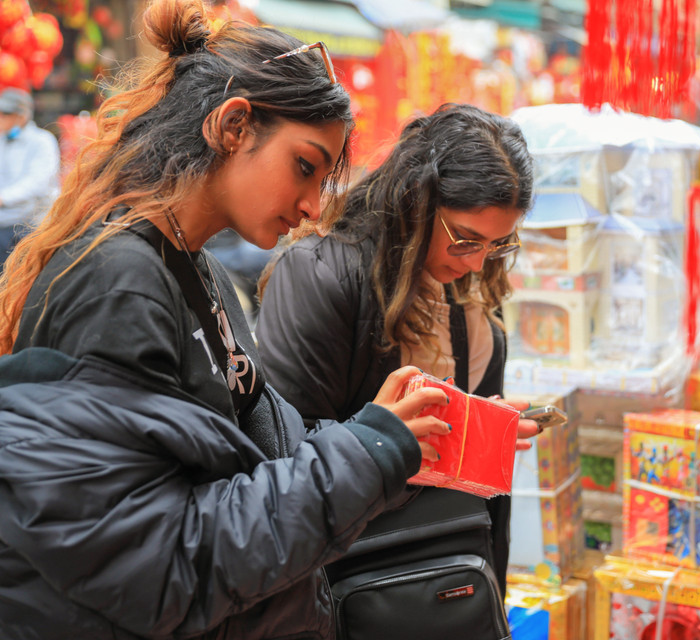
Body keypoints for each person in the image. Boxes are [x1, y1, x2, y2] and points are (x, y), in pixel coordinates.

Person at [0, 1, 453, 638]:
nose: (312, 205)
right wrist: (368, 450)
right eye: (304, 166)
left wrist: (400, 435)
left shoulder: (195, 266)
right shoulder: (116, 284)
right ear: (233, 126)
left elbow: (260, 452)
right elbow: (157, 564)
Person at [256, 103, 537, 638]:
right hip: (350, 590)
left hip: (453, 578)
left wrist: (480, 429)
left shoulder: (472, 300)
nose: (478, 262)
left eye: (499, 244)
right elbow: (282, 453)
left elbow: (471, 484)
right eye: (465, 239)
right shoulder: (321, 277)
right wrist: (389, 442)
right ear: (415, 203)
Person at [0, 87, 60, 263]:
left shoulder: (42, 141)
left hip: (29, 225)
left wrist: (3, 198)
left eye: (5, 113)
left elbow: (37, 183)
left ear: (22, 116)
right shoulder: (2, 140)